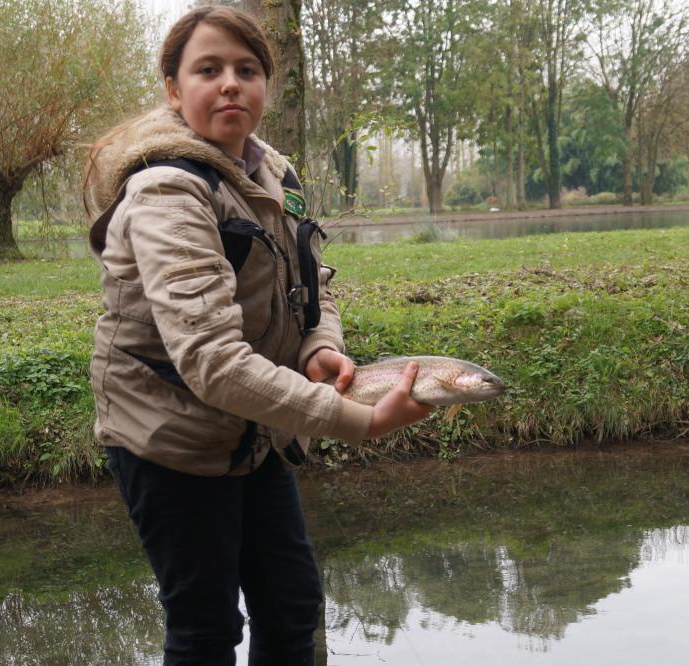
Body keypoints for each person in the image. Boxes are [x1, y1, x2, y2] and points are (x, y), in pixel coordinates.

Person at [81, 6, 434, 665]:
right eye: (207, 70)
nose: (230, 85)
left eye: (247, 70)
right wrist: (354, 419)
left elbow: (313, 281)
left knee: (292, 609)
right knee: (207, 629)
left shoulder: (274, 174)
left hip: (254, 431)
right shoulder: (167, 189)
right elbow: (212, 363)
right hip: (171, 439)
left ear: (267, 86)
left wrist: (318, 347)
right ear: (173, 87)